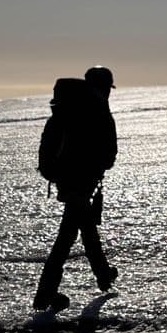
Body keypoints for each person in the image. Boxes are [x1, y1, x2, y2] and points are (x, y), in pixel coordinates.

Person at [33, 66, 119, 311]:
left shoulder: (68, 107)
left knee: (82, 229)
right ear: (104, 86)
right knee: (66, 239)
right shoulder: (97, 109)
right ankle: (45, 294)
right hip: (82, 181)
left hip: (65, 179)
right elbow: (109, 152)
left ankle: (103, 274)